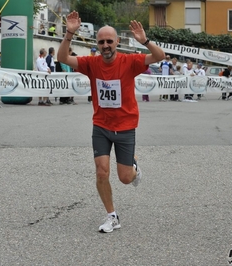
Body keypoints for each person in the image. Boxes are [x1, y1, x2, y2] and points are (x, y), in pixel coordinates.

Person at [57, 11, 165, 233]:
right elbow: (63, 59)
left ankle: (133, 167)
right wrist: (69, 33)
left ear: (117, 42)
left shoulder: (130, 61)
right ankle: (112, 216)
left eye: (109, 41)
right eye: (101, 42)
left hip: (125, 127)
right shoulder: (91, 63)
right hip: (101, 126)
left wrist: (144, 40)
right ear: (96, 44)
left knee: (125, 178)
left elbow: (159, 56)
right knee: (101, 172)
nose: (105, 45)